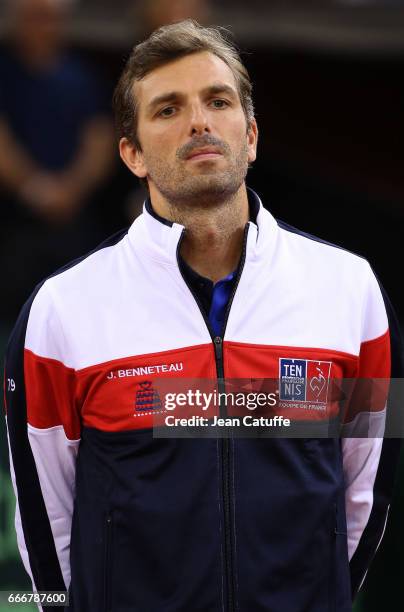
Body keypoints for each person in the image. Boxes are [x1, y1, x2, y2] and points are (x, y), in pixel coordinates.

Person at [4, 19, 402, 612]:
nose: (199, 121)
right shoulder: (63, 310)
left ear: (252, 137)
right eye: (168, 109)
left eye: (218, 101)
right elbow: (45, 522)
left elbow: (365, 498)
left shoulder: (350, 289)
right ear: (131, 154)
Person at [0, 0, 115, 322]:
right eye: (36, 17)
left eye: (51, 18)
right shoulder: (5, 73)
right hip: (13, 224)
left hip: (75, 220)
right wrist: (33, 188)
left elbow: (99, 139)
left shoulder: (82, 77)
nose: (44, 26)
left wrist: (70, 190)